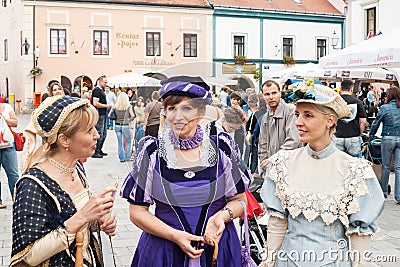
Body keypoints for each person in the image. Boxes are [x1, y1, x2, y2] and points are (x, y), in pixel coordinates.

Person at [121, 76, 252, 266]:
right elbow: (137, 212)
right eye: (172, 108)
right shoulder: (151, 153)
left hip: (217, 248)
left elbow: (239, 200)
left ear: (200, 112)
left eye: (186, 108)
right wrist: (174, 235)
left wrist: (221, 216)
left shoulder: (222, 147)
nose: (177, 116)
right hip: (164, 251)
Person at [259, 83, 384, 267]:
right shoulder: (283, 164)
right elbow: (277, 223)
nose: (298, 122)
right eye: (297, 115)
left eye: (308, 115)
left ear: (330, 120)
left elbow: (359, 237)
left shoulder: (355, 170)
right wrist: (269, 261)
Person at [11, 96, 117, 266]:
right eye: (89, 130)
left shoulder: (77, 168)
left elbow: (80, 220)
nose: (97, 135)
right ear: (64, 140)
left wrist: (98, 221)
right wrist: (82, 216)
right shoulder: (32, 184)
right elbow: (28, 256)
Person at [258, 80, 300, 172]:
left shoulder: (291, 111)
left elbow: (293, 140)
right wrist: (264, 166)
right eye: (267, 94)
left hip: (290, 166)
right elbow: (262, 144)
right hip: (272, 169)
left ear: (280, 93)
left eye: (274, 93)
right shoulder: (265, 118)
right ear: (263, 96)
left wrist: (273, 159)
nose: (271, 97)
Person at [369, 86, 400, 202]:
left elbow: (376, 122)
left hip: (387, 138)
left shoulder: (384, 108)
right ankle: (399, 196)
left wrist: (371, 134)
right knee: (398, 168)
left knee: (386, 167)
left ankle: (383, 193)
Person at [335, 80, 367, 158]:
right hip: (353, 136)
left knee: (339, 162)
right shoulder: (358, 102)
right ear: (351, 89)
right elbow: (363, 121)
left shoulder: (335, 102)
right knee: (355, 164)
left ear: (340, 88)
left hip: (338, 135)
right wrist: (360, 133)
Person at [0, 102, 19, 209]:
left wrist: (3, 119)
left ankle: (17, 200)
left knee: (13, 174)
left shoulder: (7, 107)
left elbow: (15, 122)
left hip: (8, 146)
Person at [92, 75, 112, 158]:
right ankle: (96, 151)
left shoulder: (101, 90)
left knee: (104, 133)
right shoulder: (97, 90)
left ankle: (99, 149)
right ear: (100, 82)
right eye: (105, 82)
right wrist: (107, 106)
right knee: (100, 133)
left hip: (103, 114)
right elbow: (95, 103)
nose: (106, 84)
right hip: (99, 114)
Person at [112, 92, 135, 162]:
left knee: (119, 142)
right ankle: (127, 157)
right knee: (128, 141)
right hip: (125, 125)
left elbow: (110, 115)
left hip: (117, 125)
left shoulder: (115, 106)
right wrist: (129, 120)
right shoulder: (128, 106)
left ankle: (121, 158)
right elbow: (133, 115)